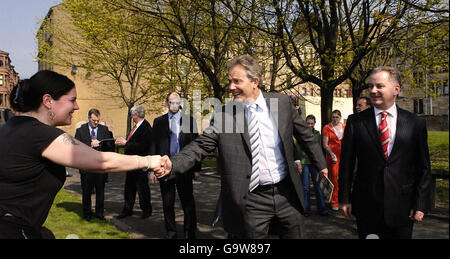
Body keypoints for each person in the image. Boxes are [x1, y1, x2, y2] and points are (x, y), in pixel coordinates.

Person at [155, 55, 328, 239]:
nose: (231, 87)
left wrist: (322, 167)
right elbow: (200, 145)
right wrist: (173, 164)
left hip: (288, 196)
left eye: (236, 81)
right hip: (252, 201)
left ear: (255, 81)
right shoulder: (225, 115)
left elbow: (306, 137)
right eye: (230, 81)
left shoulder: (283, 104)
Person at [0, 70, 164, 239]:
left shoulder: (14, 127)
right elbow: (101, 161)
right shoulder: (37, 134)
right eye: (72, 100)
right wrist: (149, 161)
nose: (76, 106)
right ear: (48, 101)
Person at [338, 66, 432, 239]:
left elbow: (423, 167)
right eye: (370, 86)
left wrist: (420, 203)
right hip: (367, 206)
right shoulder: (355, 122)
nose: (373, 91)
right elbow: (346, 164)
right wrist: (344, 198)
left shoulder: (415, 123)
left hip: (403, 207)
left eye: (379, 86)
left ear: (396, 89)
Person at [150, 92, 200, 239]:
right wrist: (151, 170)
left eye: (176, 101)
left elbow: (196, 145)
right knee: (167, 203)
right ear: (167, 103)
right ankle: (171, 233)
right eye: (171, 101)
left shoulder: (190, 121)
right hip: (165, 169)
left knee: (188, 203)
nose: (174, 104)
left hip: (184, 168)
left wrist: (197, 168)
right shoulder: (158, 122)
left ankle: (189, 233)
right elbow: (154, 145)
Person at [75, 108, 114, 221]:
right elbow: (76, 146)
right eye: (93, 120)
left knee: (100, 191)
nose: (96, 123)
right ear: (89, 118)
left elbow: (110, 147)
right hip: (86, 166)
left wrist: (101, 145)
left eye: (97, 120)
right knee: (86, 191)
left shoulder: (104, 130)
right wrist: (90, 144)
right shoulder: (81, 130)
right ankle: (87, 214)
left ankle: (99, 213)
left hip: (100, 166)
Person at [115, 105, 153, 219]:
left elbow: (143, 146)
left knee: (142, 188)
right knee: (129, 187)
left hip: (140, 163)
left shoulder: (146, 128)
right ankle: (127, 209)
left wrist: (126, 143)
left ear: (136, 115)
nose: (131, 116)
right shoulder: (136, 127)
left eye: (132, 114)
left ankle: (146, 210)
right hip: (131, 163)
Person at [296, 115, 328, 216]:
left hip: (314, 163)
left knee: (319, 186)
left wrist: (321, 165)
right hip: (304, 162)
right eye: (308, 123)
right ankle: (306, 209)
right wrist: (299, 162)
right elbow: (298, 148)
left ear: (314, 123)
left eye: (311, 123)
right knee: (305, 187)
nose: (310, 125)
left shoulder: (317, 134)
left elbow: (318, 149)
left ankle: (322, 209)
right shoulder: (300, 133)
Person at [322, 110, 345, 211]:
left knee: (344, 178)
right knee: (334, 178)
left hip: (343, 156)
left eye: (336, 117)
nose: (335, 119)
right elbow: (325, 144)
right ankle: (334, 201)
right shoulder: (327, 128)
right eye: (333, 117)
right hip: (333, 157)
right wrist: (332, 154)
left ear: (340, 117)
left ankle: (343, 200)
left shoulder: (345, 126)